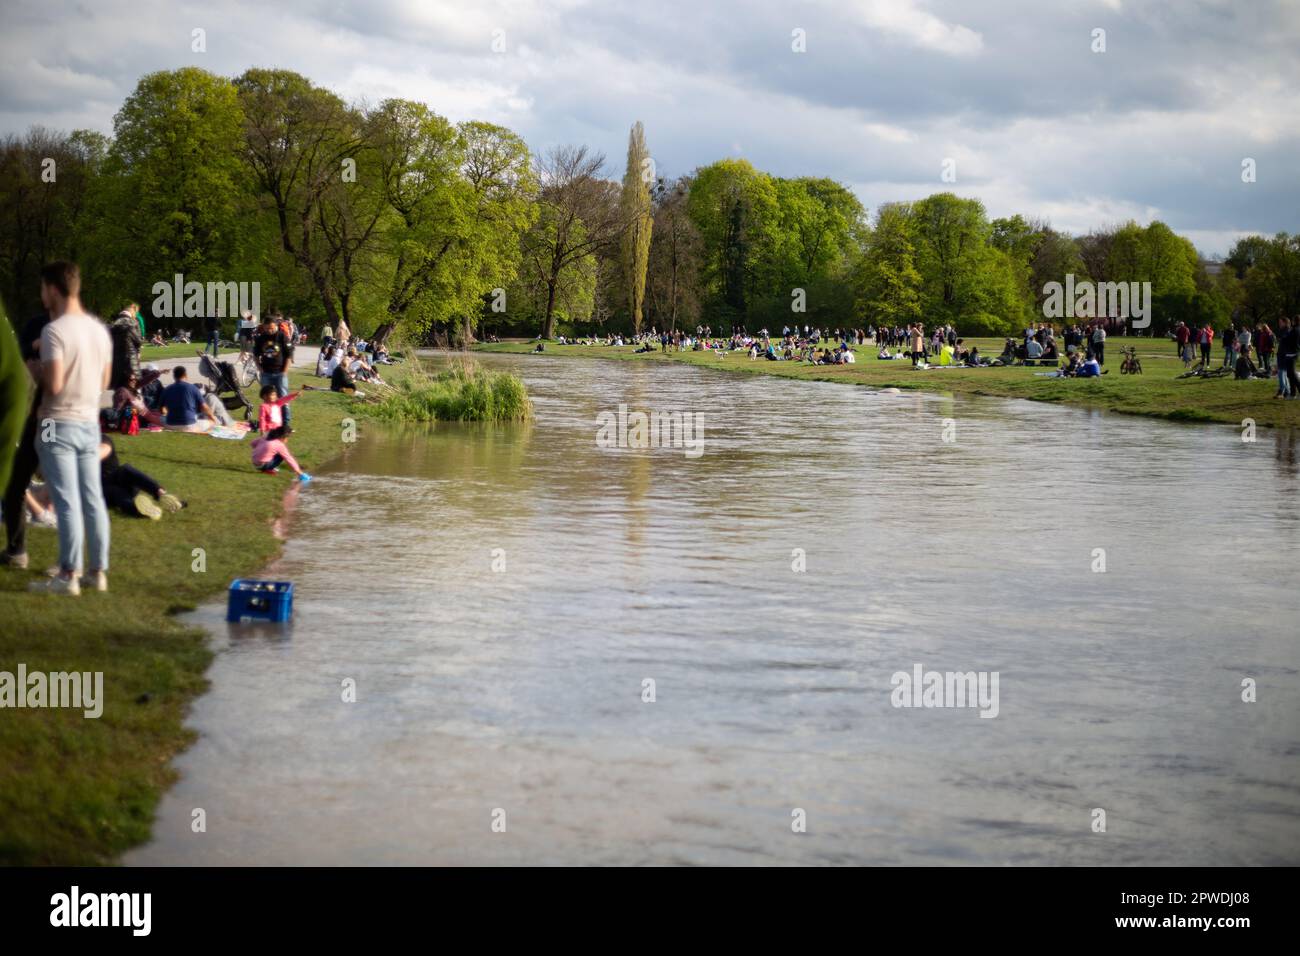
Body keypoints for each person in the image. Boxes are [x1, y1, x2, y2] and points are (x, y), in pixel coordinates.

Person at [28, 261, 113, 595]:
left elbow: (56, 383)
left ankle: (67, 575)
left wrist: (36, 372)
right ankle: (97, 571)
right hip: (89, 423)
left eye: (42, 289)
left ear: (52, 289)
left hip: (55, 423)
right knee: (93, 499)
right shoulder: (98, 330)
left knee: (65, 500)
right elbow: (105, 380)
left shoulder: (54, 331)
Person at [1, 309, 52, 570]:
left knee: (53, 471)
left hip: (52, 419)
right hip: (35, 417)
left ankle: (70, 561)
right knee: (16, 483)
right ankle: (17, 549)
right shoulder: (37, 324)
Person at [98, 437, 184, 520]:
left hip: (121, 481)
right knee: (117, 492)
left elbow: (105, 448)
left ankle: (161, 493)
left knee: (125, 469)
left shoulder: (102, 439)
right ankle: (143, 510)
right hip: (101, 489)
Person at [253, 314, 293, 425]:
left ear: (276, 325)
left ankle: (286, 424)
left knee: (283, 398)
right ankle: (268, 421)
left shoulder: (282, 337)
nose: (269, 330)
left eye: (271, 328)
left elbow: (289, 355)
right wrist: (260, 369)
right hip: (266, 373)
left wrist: (284, 371)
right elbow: (255, 355)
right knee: (267, 399)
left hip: (280, 373)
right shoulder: (260, 338)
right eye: (267, 328)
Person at [160, 366, 218, 432]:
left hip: (170, 424)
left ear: (174, 376)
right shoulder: (193, 388)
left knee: (161, 418)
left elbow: (161, 408)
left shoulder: (167, 389)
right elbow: (204, 407)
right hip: (189, 425)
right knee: (212, 421)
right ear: (185, 375)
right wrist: (212, 418)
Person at [109, 305, 143, 389]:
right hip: (129, 360)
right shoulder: (131, 325)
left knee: (119, 387)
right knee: (131, 386)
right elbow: (138, 341)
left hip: (115, 360)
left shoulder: (113, 326)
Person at [1276, 316, 1299, 399]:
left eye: (1280, 322)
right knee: (1287, 374)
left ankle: (1286, 391)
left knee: (1288, 373)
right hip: (1285, 354)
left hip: (1288, 354)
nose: (1279, 324)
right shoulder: (1287, 330)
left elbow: (1289, 342)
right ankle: (1290, 392)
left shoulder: (1291, 330)